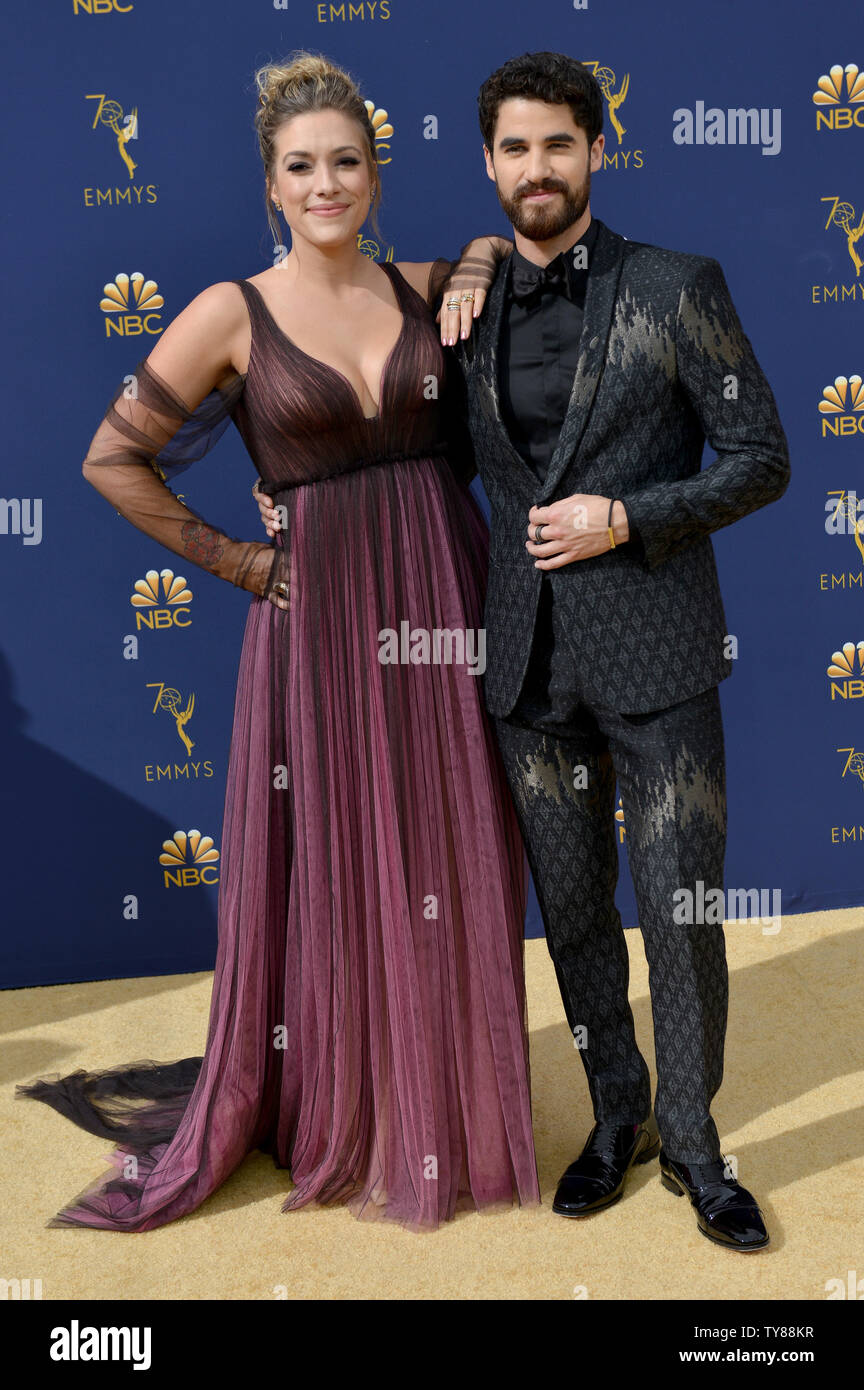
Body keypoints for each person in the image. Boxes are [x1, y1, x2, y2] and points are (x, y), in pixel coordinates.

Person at [259, 51, 793, 1253]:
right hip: (522, 672)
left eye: (559, 143)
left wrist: (629, 515)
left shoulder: (675, 284)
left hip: (658, 663)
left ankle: (698, 1148)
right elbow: (379, 424)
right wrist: (281, 488)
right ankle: (620, 1121)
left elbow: (763, 456)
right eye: (514, 148)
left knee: (678, 910)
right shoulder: (459, 297)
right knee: (573, 913)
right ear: (488, 163)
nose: (536, 168)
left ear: (597, 149)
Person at [15, 51, 542, 1233]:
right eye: (302, 166)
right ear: (270, 183)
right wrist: (248, 562)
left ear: (374, 170)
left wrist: (486, 256)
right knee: (344, 860)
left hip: (443, 601)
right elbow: (111, 459)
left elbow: (497, 256)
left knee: (452, 855)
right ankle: (354, 1106)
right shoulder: (228, 313)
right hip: (321, 628)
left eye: (345, 161)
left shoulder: (422, 284)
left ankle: (447, 1107)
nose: (325, 183)